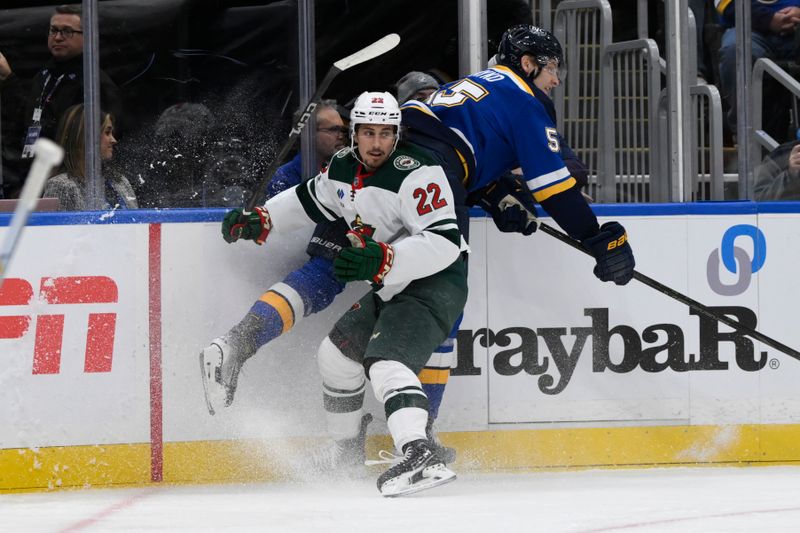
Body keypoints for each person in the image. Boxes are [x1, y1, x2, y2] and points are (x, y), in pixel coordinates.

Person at [206, 92, 468, 496]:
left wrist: (384, 259)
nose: (377, 143)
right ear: (354, 134)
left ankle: (419, 454)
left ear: (397, 134)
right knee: (338, 356)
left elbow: (445, 242)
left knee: (385, 362)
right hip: (394, 283)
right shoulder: (344, 166)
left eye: (385, 133)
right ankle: (345, 452)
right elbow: (308, 200)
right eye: (368, 133)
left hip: (437, 280)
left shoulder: (418, 171)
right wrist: (263, 219)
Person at [399, 24, 635, 281]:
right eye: (552, 68)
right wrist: (594, 236)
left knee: (391, 276)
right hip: (434, 176)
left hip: (392, 160)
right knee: (438, 295)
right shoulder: (524, 100)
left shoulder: (476, 83)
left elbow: (450, 144)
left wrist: (491, 190)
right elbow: (554, 191)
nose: (556, 80)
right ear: (527, 63)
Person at [0, 4, 123, 199]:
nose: (57, 37)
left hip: (66, 185)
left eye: (67, 32)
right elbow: (27, 117)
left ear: (88, 37)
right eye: (54, 30)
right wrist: (8, 79)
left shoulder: (94, 84)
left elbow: (95, 142)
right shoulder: (45, 73)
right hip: (28, 179)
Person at [716, 0, 800, 140]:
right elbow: (724, 3)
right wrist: (768, 19)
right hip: (747, 26)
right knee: (735, 51)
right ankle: (746, 138)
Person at [42, 104, 137, 210]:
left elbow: (138, 224)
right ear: (84, 138)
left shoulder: (120, 182)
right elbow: (56, 225)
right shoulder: (62, 186)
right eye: (107, 132)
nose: (113, 140)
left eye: (112, 133)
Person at [267, 100, 348, 197]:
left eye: (343, 130)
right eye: (334, 129)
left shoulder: (342, 173)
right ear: (308, 134)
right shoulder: (282, 180)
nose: (341, 136)